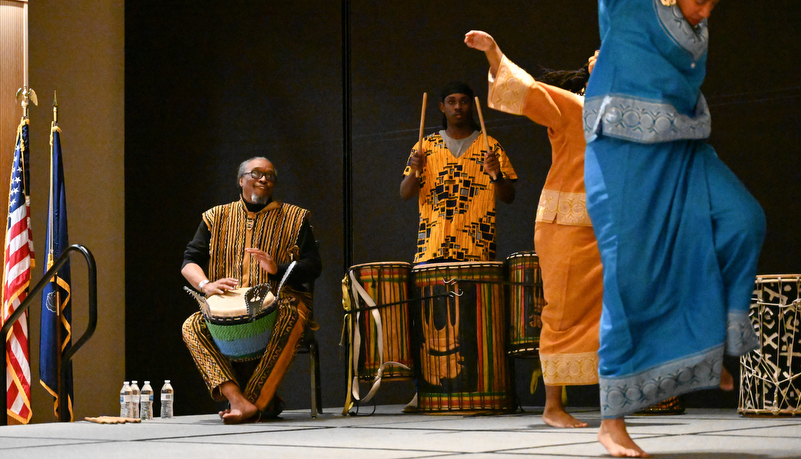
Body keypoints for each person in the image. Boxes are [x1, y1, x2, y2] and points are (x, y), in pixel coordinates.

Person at [583, 0, 765, 456]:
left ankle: (707, 349)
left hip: (682, 146)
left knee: (743, 221)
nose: (706, 11)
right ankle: (611, 421)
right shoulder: (629, 6)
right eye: (699, 1)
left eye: (712, 4)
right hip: (623, 150)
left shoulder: (694, 25)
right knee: (630, 279)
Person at [465, 30, 601, 429]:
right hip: (566, 224)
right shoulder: (574, 106)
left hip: (606, 225)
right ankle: (553, 406)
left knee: (615, 309)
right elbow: (528, 92)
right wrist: (494, 53)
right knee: (562, 312)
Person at [181, 157, 322, 424]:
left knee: (290, 314)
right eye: (256, 173)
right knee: (192, 325)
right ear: (241, 180)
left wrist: (276, 269)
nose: (264, 179)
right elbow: (189, 262)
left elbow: (314, 266)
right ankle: (239, 399)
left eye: (270, 175)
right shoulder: (216, 217)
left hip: (281, 301)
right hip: (228, 306)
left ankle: (254, 403)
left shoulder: (295, 217)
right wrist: (206, 285)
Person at [400, 82, 517, 263]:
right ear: (442, 107)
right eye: (451, 102)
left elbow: (509, 196)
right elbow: (405, 193)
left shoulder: (489, 147)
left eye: (464, 101)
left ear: (472, 106)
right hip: (432, 249)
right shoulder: (425, 147)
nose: (457, 107)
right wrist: (415, 171)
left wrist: (497, 175)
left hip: (477, 251)